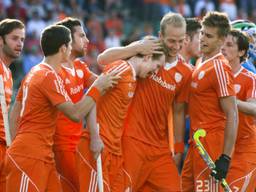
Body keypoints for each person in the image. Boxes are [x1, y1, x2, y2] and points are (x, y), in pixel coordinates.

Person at [0, 25, 119, 191]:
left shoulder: (36, 71)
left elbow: (16, 113)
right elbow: (76, 114)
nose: (71, 49)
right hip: (30, 154)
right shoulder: (48, 75)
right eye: (70, 45)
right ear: (63, 48)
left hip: (42, 154)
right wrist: (97, 88)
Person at [53, 17, 163, 192]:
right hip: (73, 143)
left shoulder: (81, 68)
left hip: (110, 147)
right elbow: (98, 80)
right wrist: (95, 137)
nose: (87, 40)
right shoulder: (49, 72)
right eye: (82, 36)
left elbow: (100, 88)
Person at [98, 12, 192, 191]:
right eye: (171, 41)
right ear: (160, 36)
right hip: (132, 142)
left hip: (160, 148)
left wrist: (178, 150)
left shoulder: (186, 72)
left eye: (181, 41)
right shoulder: (144, 52)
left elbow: (179, 112)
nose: (176, 46)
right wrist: (135, 48)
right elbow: (102, 59)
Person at [77, 36, 165, 192]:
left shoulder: (133, 78)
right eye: (157, 66)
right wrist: (95, 138)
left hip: (114, 150)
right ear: (147, 57)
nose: (156, 72)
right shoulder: (121, 69)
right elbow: (92, 97)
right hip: (99, 145)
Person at [181, 12, 238, 191]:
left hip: (211, 144)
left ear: (221, 41)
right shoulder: (199, 61)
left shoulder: (220, 66)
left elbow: (232, 112)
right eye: (203, 34)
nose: (203, 39)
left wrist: (225, 158)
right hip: (195, 142)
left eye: (209, 36)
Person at [221, 29, 256, 191]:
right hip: (221, 148)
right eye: (222, 44)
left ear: (242, 51)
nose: (223, 48)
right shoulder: (215, 74)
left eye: (229, 45)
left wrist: (229, 100)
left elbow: (254, 108)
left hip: (244, 150)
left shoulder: (249, 77)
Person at [0, 19, 25, 163]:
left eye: (22, 39)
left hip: (4, 145)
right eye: (14, 38)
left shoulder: (8, 73)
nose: (20, 43)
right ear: (1, 40)